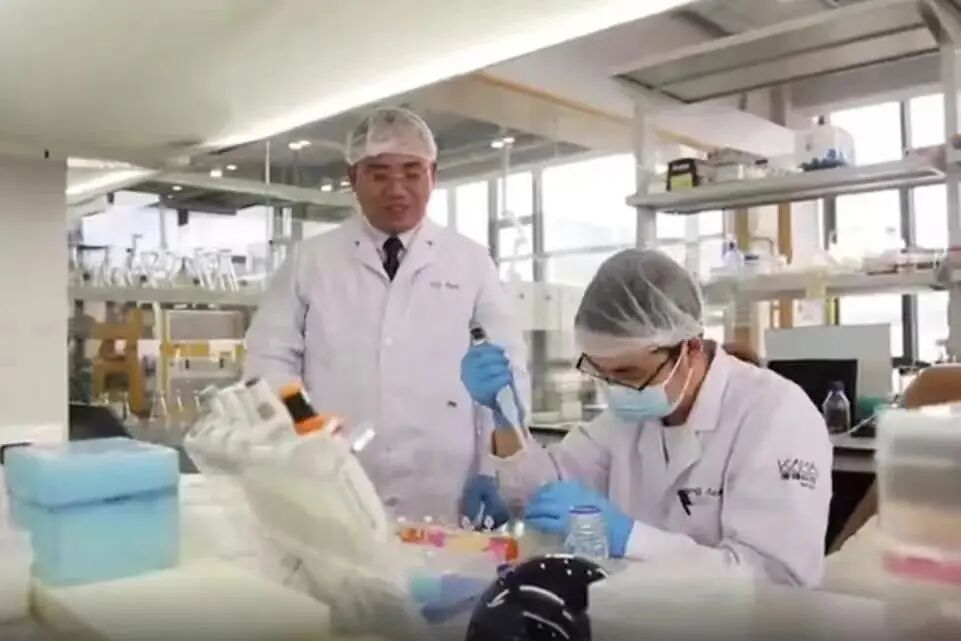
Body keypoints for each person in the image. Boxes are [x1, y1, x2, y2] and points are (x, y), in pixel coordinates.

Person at [460, 249, 832, 587]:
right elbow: (543, 494)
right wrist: (505, 418)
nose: (616, 390)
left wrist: (630, 538)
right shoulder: (626, 419)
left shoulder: (775, 414)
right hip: (631, 616)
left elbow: (774, 582)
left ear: (690, 348)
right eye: (603, 373)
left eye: (629, 373)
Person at [244, 107, 528, 523]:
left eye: (412, 173)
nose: (397, 189)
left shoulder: (470, 261)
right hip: (334, 476)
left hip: (446, 487)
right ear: (352, 177)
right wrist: (305, 426)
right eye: (379, 174)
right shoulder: (311, 262)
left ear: (433, 175)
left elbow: (506, 370)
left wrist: (494, 467)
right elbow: (268, 360)